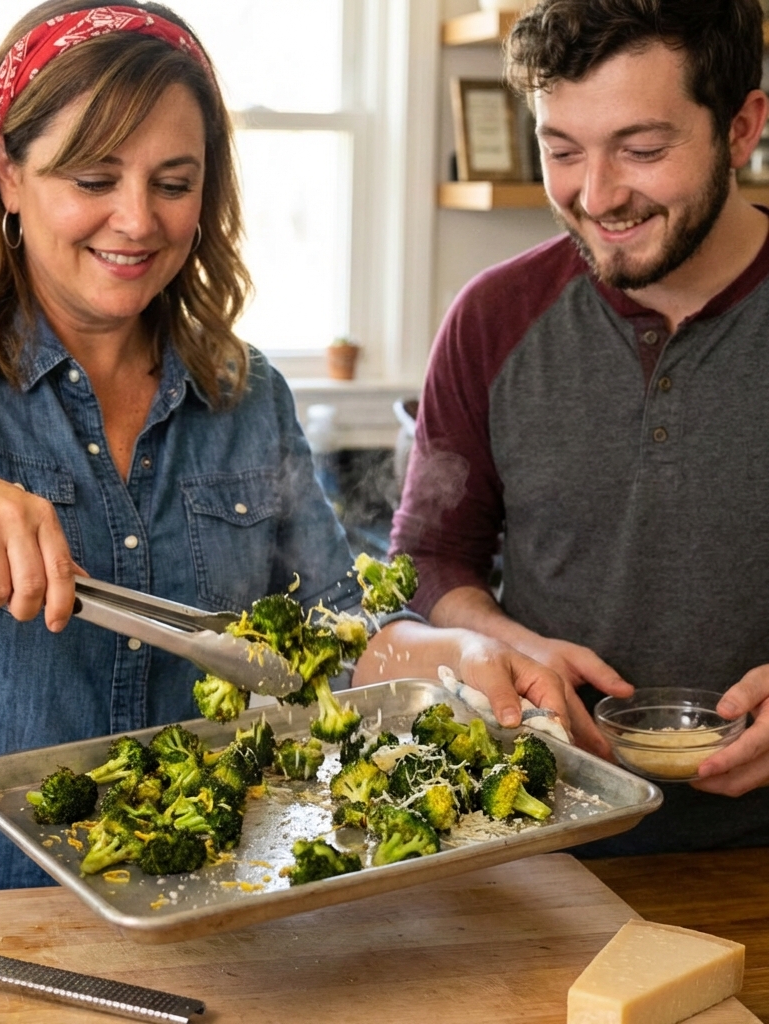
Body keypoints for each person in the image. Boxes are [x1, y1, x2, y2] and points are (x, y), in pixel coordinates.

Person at [0, 1, 565, 900]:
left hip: (169, 910)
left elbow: (339, 638)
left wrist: (454, 656)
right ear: (7, 173)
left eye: (173, 183)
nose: (136, 221)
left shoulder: (242, 391)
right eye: (93, 178)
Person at [393, 0, 769, 854]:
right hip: (543, 852)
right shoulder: (492, 319)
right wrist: (506, 642)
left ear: (742, 127)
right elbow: (427, 562)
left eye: (642, 150)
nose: (596, 196)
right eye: (561, 149)